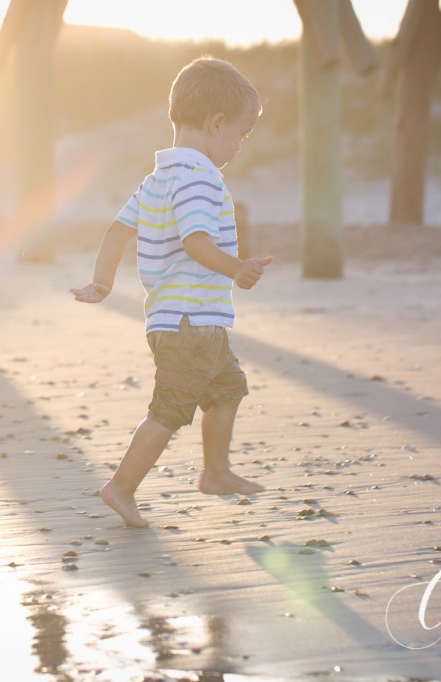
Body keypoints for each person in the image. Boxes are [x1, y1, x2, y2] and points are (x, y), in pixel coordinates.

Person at [70, 57, 273, 528]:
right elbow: (196, 241)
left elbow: (119, 231)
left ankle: (216, 472)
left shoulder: (157, 178)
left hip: (187, 320)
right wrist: (237, 268)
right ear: (216, 123)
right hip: (190, 323)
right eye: (241, 135)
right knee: (170, 410)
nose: (239, 147)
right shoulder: (200, 179)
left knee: (226, 391)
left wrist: (103, 281)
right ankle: (121, 487)